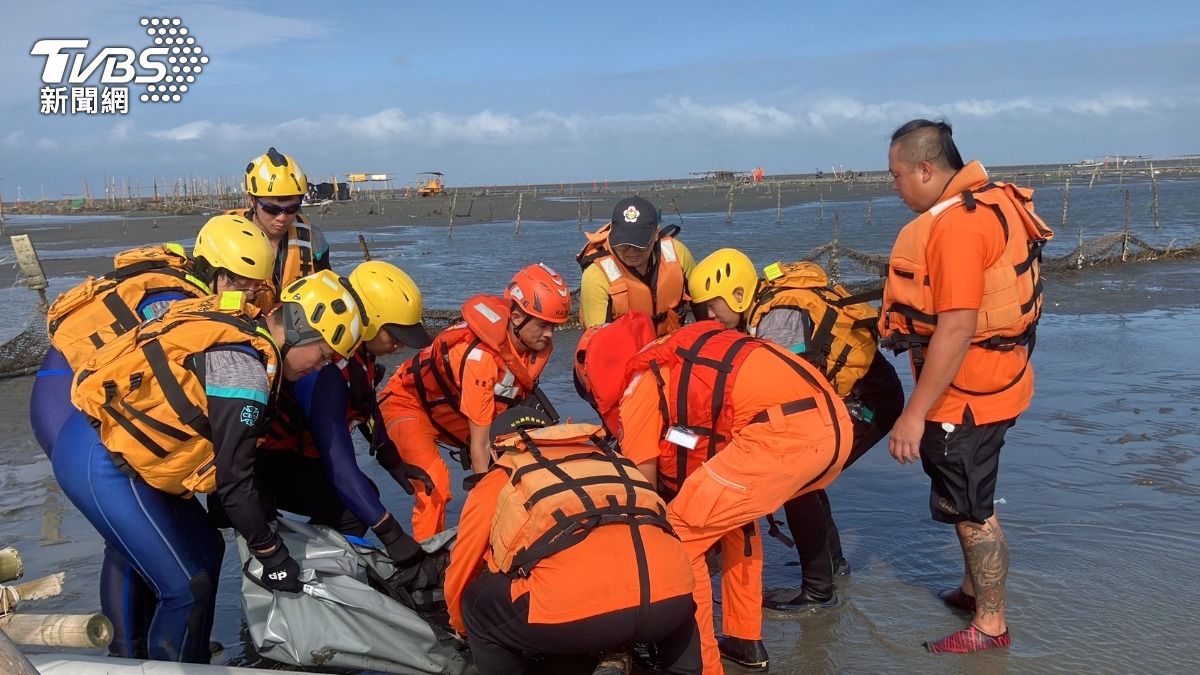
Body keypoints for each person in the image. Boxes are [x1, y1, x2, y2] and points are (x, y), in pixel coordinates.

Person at [52, 269, 364, 663]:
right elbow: (235, 483)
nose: (320, 367)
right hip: (100, 458)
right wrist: (272, 554)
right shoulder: (246, 369)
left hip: (119, 449)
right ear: (301, 329)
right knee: (186, 586)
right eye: (323, 354)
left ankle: (189, 659)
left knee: (206, 548)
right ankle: (155, 665)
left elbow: (229, 469)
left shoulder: (247, 332)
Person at [578, 320, 853, 674]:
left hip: (785, 433)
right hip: (835, 425)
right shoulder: (674, 354)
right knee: (733, 520)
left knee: (680, 533)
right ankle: (744, 639)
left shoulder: (641, 381)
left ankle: (703, 663)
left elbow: (643, 489)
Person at [881, 119, 1053, 653]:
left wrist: (914, 414)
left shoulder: (955, 228)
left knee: (972, 509)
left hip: (969, 398)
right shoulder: (991, 200)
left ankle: (991, 625)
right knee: (970, 493)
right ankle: (974, 590)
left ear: (926, 169)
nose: (895, 186)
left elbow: (955, 327)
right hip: (1004, 381)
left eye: (897, 175)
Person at [687, 249, 905, 611]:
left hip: (868, 401)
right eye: (701, 310)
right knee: (809, 479)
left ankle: (819, 590)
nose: (707, 316)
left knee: (796, 482)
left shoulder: (777, 321)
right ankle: (831, 565)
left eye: (712, 306)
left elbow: (786, 390)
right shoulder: (767, 307)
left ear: (738, 295)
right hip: (866, 393)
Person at [444, 407, 702, 675]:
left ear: (498, 450)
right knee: (673, 590)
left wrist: (460, 625)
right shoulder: (612, 461)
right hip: (671, 604)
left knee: (476, 605)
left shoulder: (502, 476)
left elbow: (463, 568)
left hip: (576, 613)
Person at [33, 213, 274, 456]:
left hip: (78, 384)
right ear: (210, 269)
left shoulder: (192, 288)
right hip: (64, 401)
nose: (246, 297)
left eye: (256, 286)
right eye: (239, 285)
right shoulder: (171, 302)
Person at [262, 260, 437, 568]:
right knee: (356, 505)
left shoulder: (358, 357)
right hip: (267, 468)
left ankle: (315, 565)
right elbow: (340, 468)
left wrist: (392, 460)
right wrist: (392, 534)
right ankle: (306, 572)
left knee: (362, 498)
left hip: (297, 461)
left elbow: (365, 404)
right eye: (393, 334)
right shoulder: (326, 369)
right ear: (368, 321)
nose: (398, 345)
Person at [378, 263, 570, 540]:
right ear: (516, 317)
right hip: (406, 403)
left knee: (520, 466)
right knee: (435, 484)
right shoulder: (481, 360)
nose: (550, 334)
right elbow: (480, 446)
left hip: (452, 409)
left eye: (554, 326)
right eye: (542, 325)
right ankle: (430, 555)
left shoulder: (533, 345)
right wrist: (486, 499)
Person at [577, 196, 695, 336]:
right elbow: (599, 346)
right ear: (612, 234)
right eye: (623, 245)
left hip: (671, 349)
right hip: (624, 354)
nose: (631, 251)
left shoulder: (678, 254)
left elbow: (707, 309)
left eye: (640, 245)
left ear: (656, 234)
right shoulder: (595, 276)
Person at [234, 146, 331, 300]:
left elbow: (328, 290)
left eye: (292, 208)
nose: (282, 217)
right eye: (272, 209)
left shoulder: (314, 240)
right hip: (243, 320)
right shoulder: (228, 239)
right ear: (251, 199)